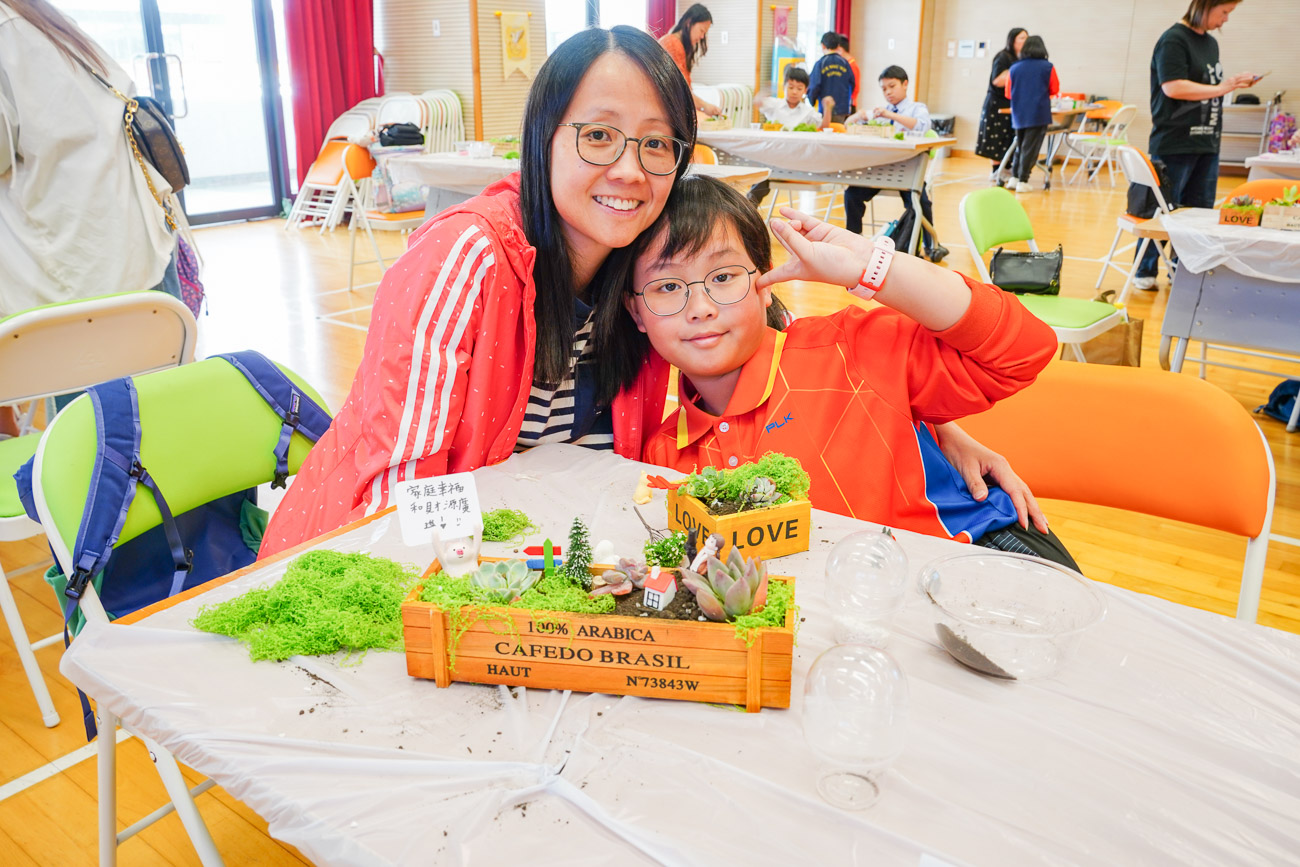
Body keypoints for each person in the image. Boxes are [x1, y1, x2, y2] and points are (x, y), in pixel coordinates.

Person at [259, 29, 1046, 557]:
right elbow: (396, 495)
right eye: (598, 135)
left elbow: (983, 355)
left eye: (657, 143)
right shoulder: (469, 258)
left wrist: (924, 421)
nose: (630, 168)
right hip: (374, 561)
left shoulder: (630, 265)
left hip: (534, 558)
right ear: (542, 136)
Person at [624, 176, 1072, 564]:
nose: (700, 307)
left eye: (723, 277)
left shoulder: (850, 349)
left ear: (765, 283)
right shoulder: (664, 455)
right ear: (636, 312)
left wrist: (872, 266)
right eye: (667, 286)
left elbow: (1026, 350)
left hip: (976, 555)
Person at [0, 0, 182, 436]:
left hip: (78, 269)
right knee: (157, 409)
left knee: (93, 434)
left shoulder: (8, 29)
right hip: (133, 248)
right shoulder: (40, 19)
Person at [1133, 0, 1257, 290]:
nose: (1226, 19)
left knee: (1199, 213)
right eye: (1224, 12)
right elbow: (1173, 86)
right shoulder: (1174, 39)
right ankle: (1144, 270)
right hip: (1175, 140)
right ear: (1206, 5)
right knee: (1163, 210)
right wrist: (1224, 87)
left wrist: (1231, 83)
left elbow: (1209, 86)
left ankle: (1184, 270)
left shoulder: (1210, 44)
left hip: (1206, 141)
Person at [842, 66, 948, 263]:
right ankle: (854, 240)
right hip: (882, 169)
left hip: (909, 170)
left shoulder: (916, 108)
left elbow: (922, 125)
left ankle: (931, 244)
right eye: (884, 89)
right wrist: (859, 116)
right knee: (852, 194)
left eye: (892, 86)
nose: (888, 92)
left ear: (905, 84)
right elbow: (848, 125)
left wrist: (889, 116)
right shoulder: (880, 112)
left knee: (920, 202)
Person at [1004, 35, 1059, 193]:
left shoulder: (1014, 67)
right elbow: (1054, 89)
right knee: (1031, 148)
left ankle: (1015, 178)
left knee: (1020, 145)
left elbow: (1008, 93)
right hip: (1038, 112)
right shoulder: (1048, 67)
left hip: (1019, 112)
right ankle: (1023, 180)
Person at [975, 27, 1027, 182]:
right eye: (1022, 38)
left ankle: (1007, 167)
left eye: (1026, 37)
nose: (1025, 41)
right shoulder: (1003, 56)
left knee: (1009, 136)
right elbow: (997, 80)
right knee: (996, 136)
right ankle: (997, 170)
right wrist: (1016, 73)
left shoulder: (1022, 58)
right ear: (1013, 40)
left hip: (1013, 102)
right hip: (997, 103)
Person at [658, 4, 722, 118]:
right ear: (689, 22)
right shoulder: (672, 44)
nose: (702, 37)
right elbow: (681, 90)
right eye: (702, 31)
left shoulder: (677, 44)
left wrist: (704, 107)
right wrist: (705, 106)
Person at [807, 31, 854, 125]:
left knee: (824, 131)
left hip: (824, 109)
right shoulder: (845, 63)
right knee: (839, 131)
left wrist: (812, 101)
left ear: (823, 46)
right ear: (838, 45)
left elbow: (814, 85)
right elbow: (852, 84)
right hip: (842, 109)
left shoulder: (821, 64)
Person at [757, 66, 821, 129]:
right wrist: (766, 90)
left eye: (799, 89)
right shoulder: (774, 104)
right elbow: (758, 102)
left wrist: (826, 108)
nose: (794, 92)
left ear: (805, 90)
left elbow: (822, 126)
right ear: (784, 87)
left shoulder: (808, 112)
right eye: (791, 87)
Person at [835, 34, 860, 117]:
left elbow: (855, 88)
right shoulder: (846, 64)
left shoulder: (851, 65)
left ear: (840, 49)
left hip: (849, 105)